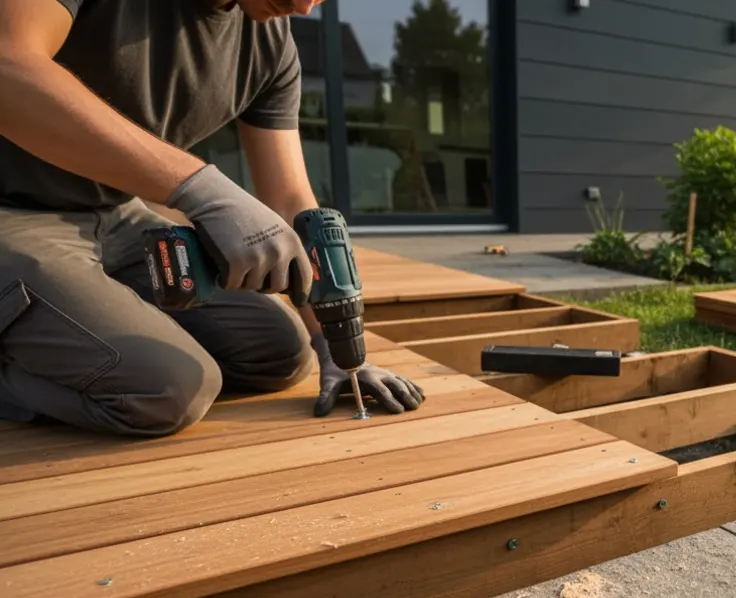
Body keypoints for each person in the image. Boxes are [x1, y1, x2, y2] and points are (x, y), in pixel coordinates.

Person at [0, 0, 423, 438]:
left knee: (280, 352)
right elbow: (8, 63)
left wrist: (337, 349)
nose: (303, 6)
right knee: (168, 389)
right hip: (11, 212)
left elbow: (289, 197)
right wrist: (199, 188)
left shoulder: (269, 44)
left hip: (116, 215)